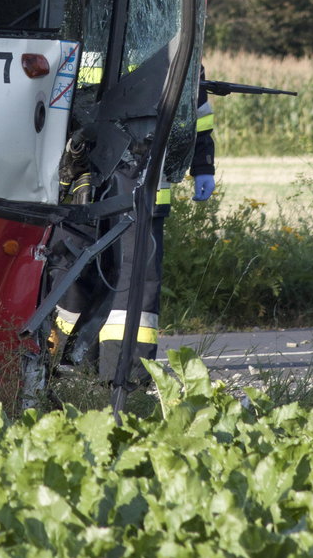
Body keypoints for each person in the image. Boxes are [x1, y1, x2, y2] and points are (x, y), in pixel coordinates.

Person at [55, 68, 216, 384]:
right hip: (77, 176)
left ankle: (121, 377)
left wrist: (202, 163)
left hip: (139, 180)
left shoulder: (170, 34)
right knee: (69, 272)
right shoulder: (88, 23)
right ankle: (67, 365)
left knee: (131, 282)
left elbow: (194, 110)